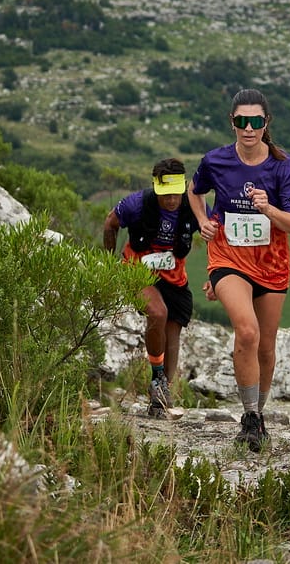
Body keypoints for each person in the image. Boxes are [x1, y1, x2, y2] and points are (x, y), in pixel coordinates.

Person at [187, 88, 290, 452]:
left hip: (271, 264)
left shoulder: (283, 167)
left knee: (267, 347)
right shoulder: (215, 161)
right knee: (246, 331)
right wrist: (201, 221)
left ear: (266, 123)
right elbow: (194, 191)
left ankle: (259, 413)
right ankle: (250, 418)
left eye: (255, 121)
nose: (248, 128)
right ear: (232, 122)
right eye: (241, 121)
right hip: (227, 259)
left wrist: (269, 209)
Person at [103, 158, 199, 419]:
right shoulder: (137, 204)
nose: (171, 200)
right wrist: (107, 266)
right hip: (137, 270)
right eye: (165, 194)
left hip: (174, 275)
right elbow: (110, 223)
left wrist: (217, 275)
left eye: (175, 194)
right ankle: (157, 376)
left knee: (173, 328)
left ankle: (162, 396)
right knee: (157, 313)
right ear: (156, 188)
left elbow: (217, 233)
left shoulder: (193, 206)